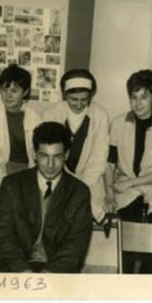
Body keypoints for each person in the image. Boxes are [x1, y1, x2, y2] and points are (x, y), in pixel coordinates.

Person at [0, 122, 93, 273]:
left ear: (66, 155)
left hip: (58, 272)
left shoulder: (79, 192)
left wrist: (46, 276)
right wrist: (24, 272)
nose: (50, 164)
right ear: (34, 154)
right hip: (16, 269)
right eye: (44, 156)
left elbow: (75, 248)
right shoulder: (11, 186)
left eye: (57, 156)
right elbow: (4, 238)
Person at [105, 69, 152, 273]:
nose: (138, 103)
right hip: (127, 185)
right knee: (129, 232)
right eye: (133, 97)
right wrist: (110, 192)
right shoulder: (119, 123)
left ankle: (146, 282)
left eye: (144, 97)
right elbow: (109, 164)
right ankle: (125, 280)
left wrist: (129, 183)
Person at [43, 69, 110, 223]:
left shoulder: (100, 116)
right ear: (65, 95)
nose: (79, 104)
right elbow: (49, 155)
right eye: (73, 99)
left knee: (84, 217)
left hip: (91, 182)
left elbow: (99, 158)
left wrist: (80, 187)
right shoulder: (51, 115)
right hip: (57, 178)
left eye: (84, 99)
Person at [0, 64, 42, 184]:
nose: (8, 96)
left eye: (14, 91)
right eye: (4, 90)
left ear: (25, 92)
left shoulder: (34, 118)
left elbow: (37, 155)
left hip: (26, 173)